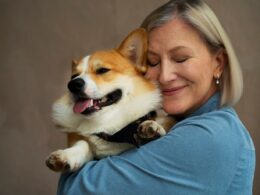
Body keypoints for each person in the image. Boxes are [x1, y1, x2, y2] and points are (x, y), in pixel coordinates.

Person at [57, 0, 255, 194]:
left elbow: (75, 189)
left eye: (181, 58)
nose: (164, 76)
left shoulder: (209, 137)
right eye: (152, 62)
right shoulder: (172, 124)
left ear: (218, 63)